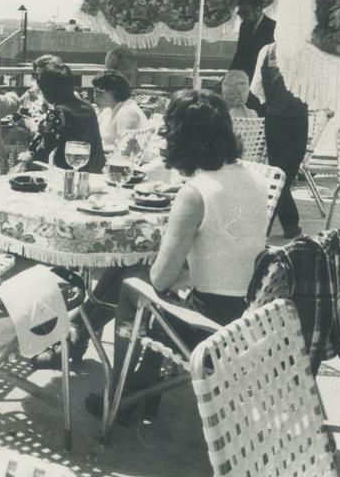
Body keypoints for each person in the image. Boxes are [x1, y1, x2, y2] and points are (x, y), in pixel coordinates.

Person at [95, 89, 270, 421]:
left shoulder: (195, 194)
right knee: (138, 267)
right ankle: (141, 381)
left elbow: (161, 279)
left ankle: (119, 394)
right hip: (249, 307)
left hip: (207, 321)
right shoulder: (255, 178)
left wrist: (182, 207)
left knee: (132, 283)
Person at [250, 43, 309, 236]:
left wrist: (270, 104)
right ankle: (288, 225)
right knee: (286, 174)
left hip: (275, 118)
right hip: (298, 118)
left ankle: (268, 225)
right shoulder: (308, 51)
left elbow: (256, 86)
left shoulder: (267, 51)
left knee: (280, 174)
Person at [29, 61, 105, 173]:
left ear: (47, 89)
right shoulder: (88, 106)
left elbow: (40, 152)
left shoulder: (56, 113)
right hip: (96, 172)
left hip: (68, 175)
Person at [90, 70, 148, 151]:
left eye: (98, 91)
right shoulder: (108, 110)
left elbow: (124, 148)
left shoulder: (127, 112)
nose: (94, 95)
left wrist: (92, 149)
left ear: (113, 91)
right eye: (94, 91)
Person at [228, 0, 274, 82]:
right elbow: (239, 54)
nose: (242, 18)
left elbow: (271, 62)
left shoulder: (273, 28)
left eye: (245, 13)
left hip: (263, 79)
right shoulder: (244, 26)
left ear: (257, 10)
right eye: (240, 14)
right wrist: (229, 76)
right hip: (246, 78)